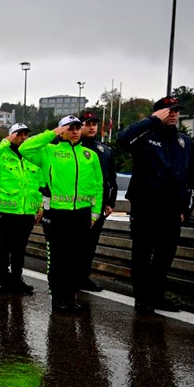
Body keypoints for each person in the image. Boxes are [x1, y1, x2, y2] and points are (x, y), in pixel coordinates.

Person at [117, 96, 194, 313]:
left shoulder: (184, 142)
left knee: (164, 255)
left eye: (176, 110)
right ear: (158, 113)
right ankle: (142, 298)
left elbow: (192, 178)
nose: (173, 114)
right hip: (146, 207)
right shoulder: (145, 136)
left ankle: (157, 295)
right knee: (142, 254)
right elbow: (122, 139)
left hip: (171, 210)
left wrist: (185, 209)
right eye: (167, 110)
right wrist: (151, 120)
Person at [19, 115, 103, 313]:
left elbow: (98, 186)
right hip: (57, 214)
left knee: (77, 259)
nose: (74, 131)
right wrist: (53, 133)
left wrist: (95, 213)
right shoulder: (49, 151)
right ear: (62, 130)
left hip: (82, 214)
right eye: (69, 127)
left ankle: (71, 297)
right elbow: (25, 148)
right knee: (59, 259)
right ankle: (58, 299)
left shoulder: (89, 155)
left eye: (76, 127)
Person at [0, 123, 43, 294]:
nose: (22, 137)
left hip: (26, 211)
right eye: (18, 134)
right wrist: (5, 142)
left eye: (25, 134)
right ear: (11, 135)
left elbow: (40, 184)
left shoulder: (32, 156)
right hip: (5, 211)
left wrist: (40, 207)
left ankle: (17, 279)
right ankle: (3, 280)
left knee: (20, 249)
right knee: (5, 247)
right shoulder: (2, 153)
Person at [78, 110, 117, 292]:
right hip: (75, 205)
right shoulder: (71, 148)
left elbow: (110, 179)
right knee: (73, 244)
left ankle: (84, 277)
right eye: (87, 124)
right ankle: (70, 277)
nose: (91, 127)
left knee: (90, 243)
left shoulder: (105, 150)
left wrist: (110, 202)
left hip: (97, 205)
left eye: (94, 124)